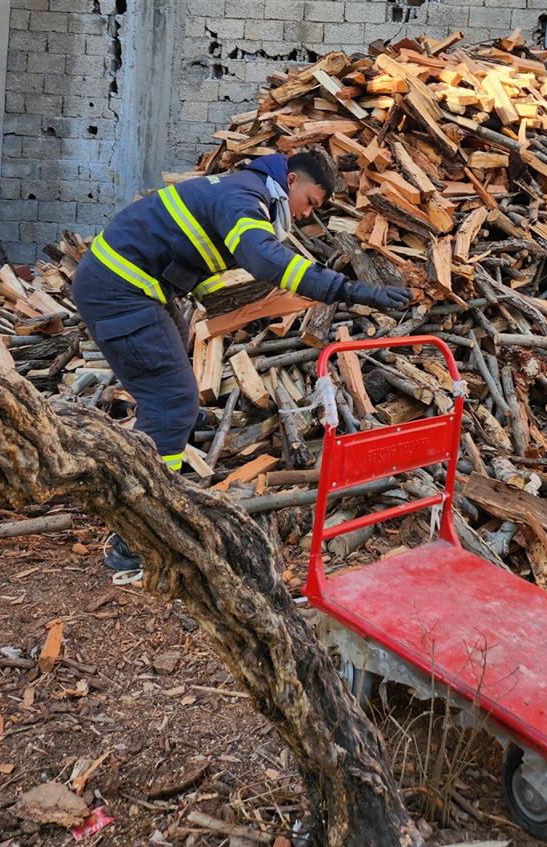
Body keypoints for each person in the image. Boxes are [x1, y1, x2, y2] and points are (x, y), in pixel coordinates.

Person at [71, 151, 412, 572]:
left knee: (176, 390)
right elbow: (266, 260)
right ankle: (138, 535)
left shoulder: (241, 192)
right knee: (172, 401)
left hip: (137, 288)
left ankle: (161, 458)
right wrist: (349, 290)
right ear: (290, 180)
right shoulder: (244, 199)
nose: (307, 216)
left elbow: (212, 270)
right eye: (310, 202)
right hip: (120, 291)